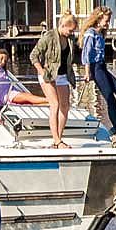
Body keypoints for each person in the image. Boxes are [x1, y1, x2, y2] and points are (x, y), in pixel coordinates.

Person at [79, 6, 116, 146]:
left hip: (102, 67)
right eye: (106, 21)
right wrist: (87, 72)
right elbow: (86, 53)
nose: (108, 24)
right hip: (95, 69)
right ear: (98, 19)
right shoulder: (91, 33)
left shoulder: (100, 33)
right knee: (110, 99)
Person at [31, 12, 79, 149]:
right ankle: (57, 140)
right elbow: (33, 55)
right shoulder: (49, 36)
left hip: (63, 74)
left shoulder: (70, 38)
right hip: (49, 74)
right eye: (70, 30)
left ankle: (59, 138)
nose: (71, 33)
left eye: (73, 30)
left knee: (65, 106)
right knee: (55, 104)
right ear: (63, 26)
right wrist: (42, 71)